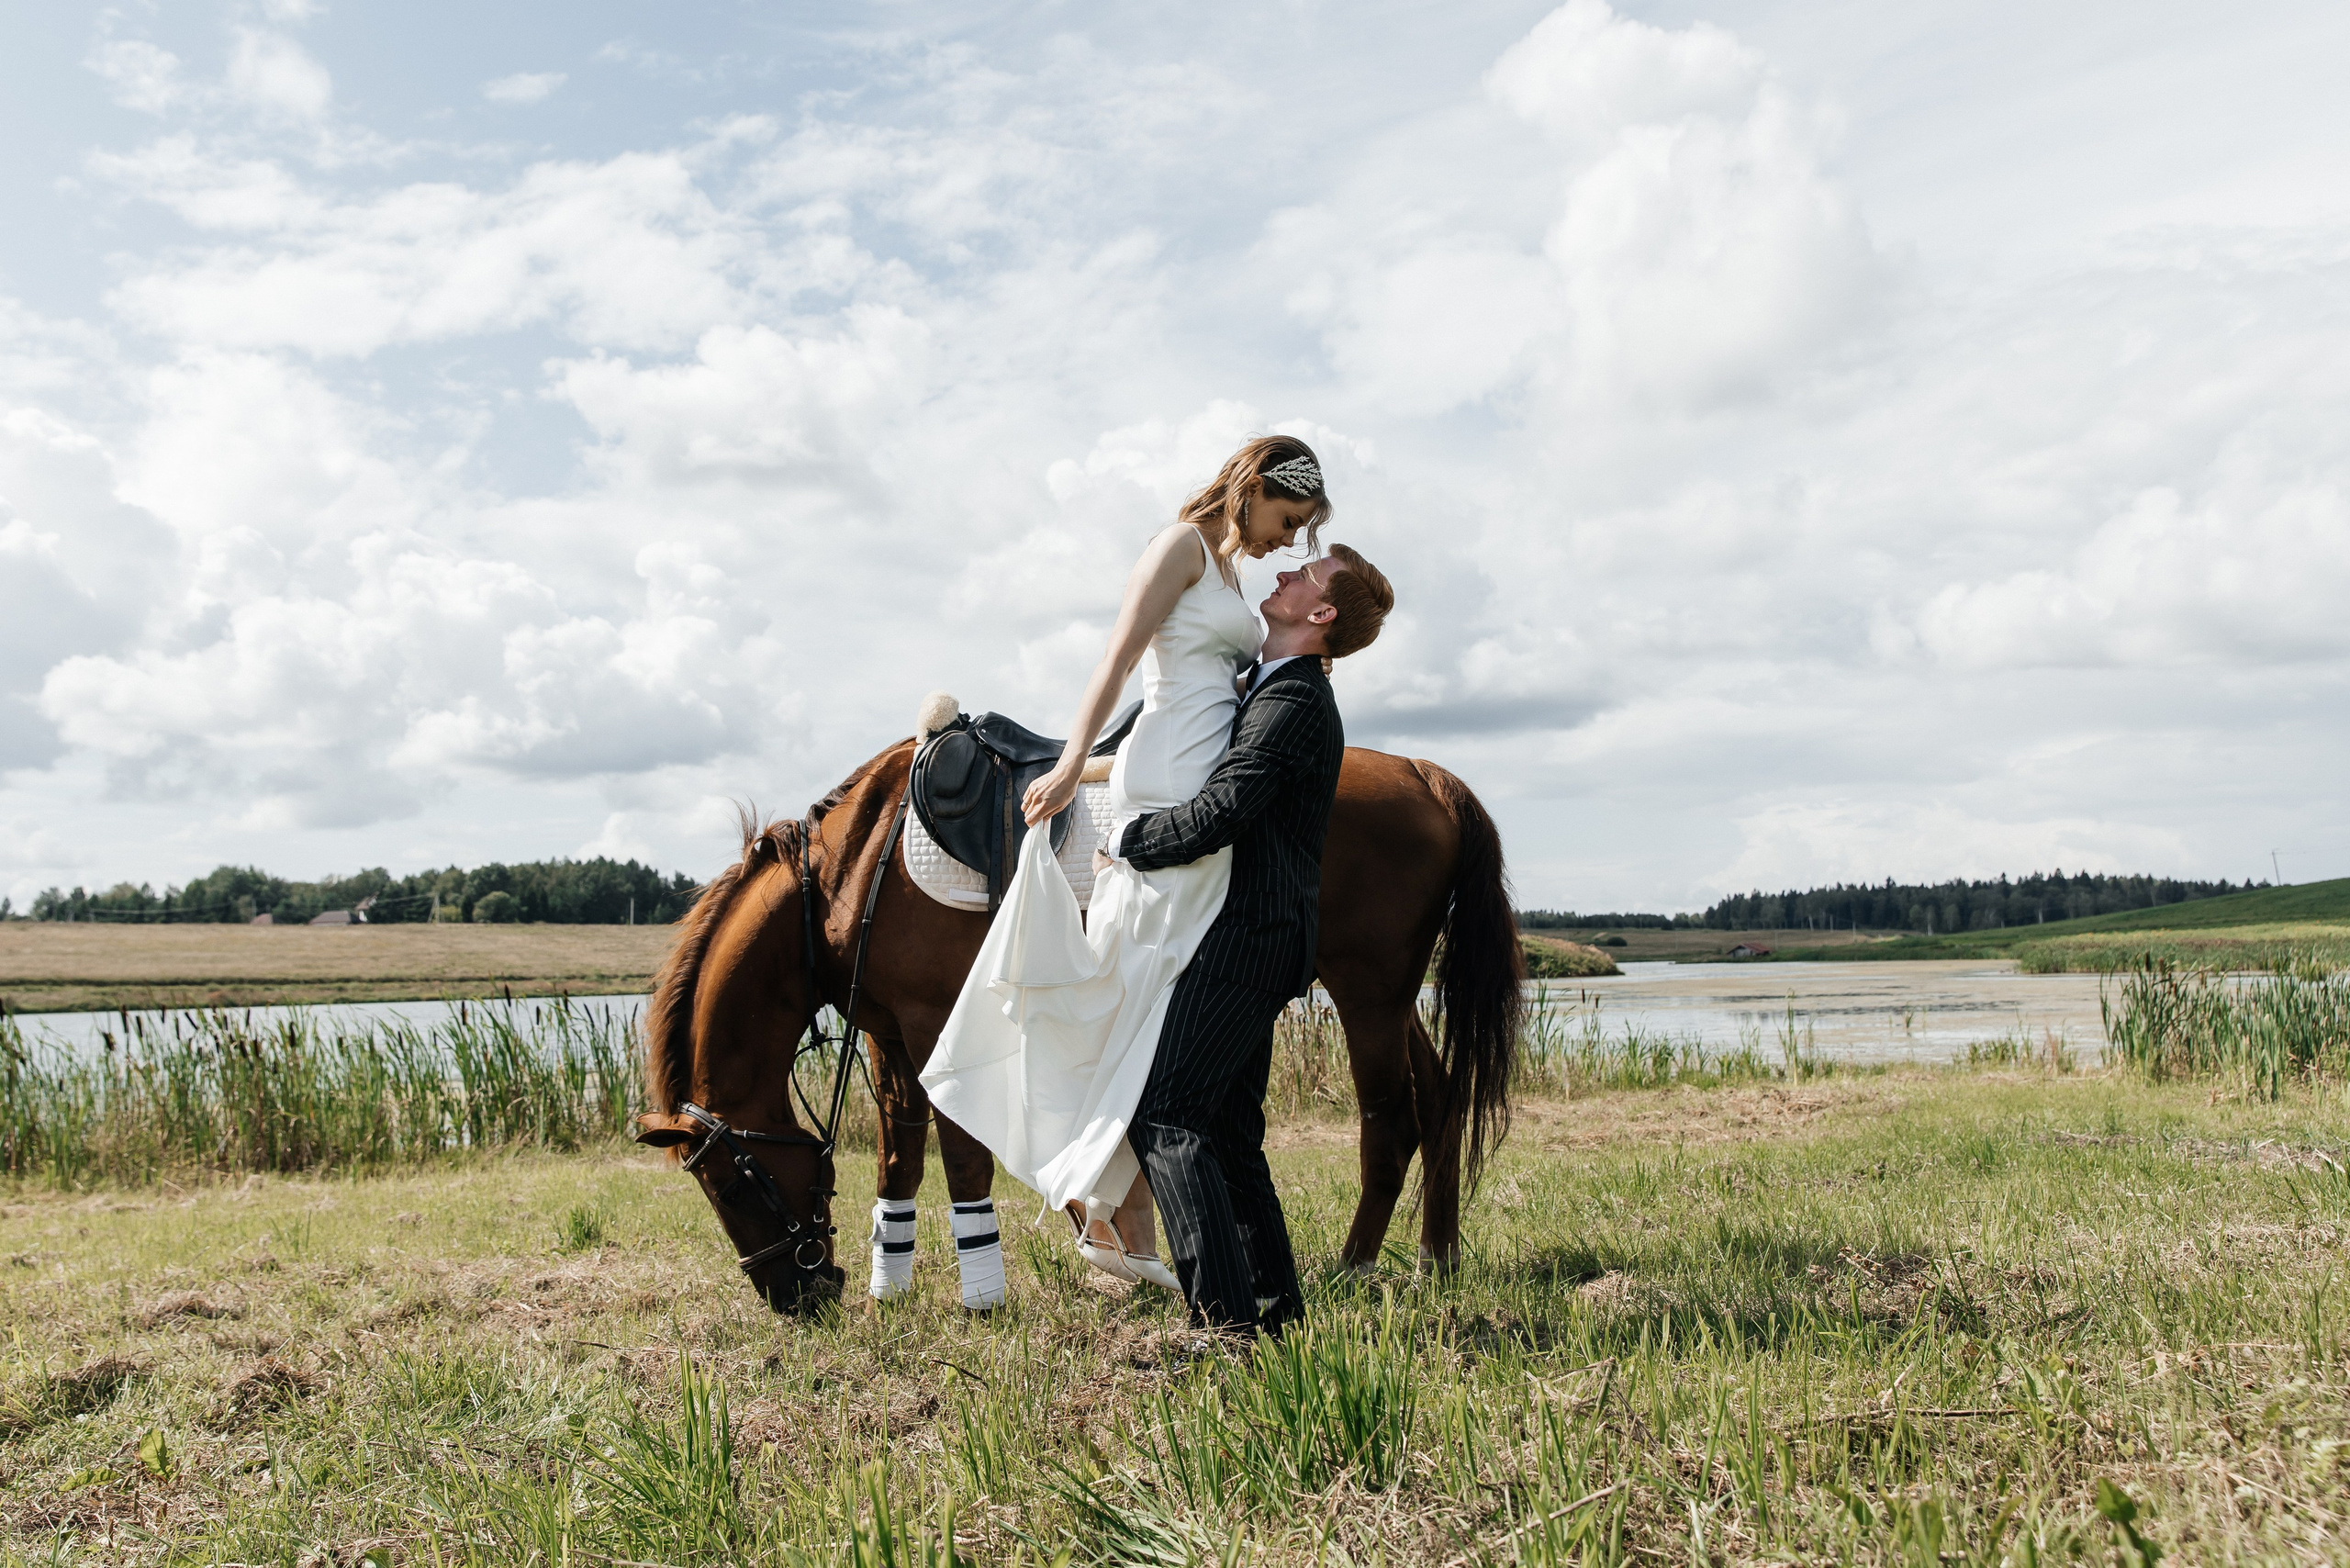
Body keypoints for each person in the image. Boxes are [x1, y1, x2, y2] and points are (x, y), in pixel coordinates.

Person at [919, 436, 1332, 1292]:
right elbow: (1120, 658)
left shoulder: (1229, 574)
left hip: (1197, 808)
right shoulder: (1178, 547)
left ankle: (1138, 1219)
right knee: (1129, 1004)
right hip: (1167, 812)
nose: (1286, 544)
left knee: (1158, 1022)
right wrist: (1073, 763)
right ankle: (1120, 1206)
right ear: (1252, 489)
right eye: (1286, 521)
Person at [1110, 541, 1393, 1333]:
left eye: (1304, 575)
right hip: (1255, 940)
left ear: (1321, 612)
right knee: (1229, 1131)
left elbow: (1227, 808)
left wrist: (1128, 843)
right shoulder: (1267, 687)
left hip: (1248, 940)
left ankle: (1223, 1321)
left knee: (1166, 1112)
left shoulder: (1296, 700)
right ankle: (1273, 1310)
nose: (1284, 574)